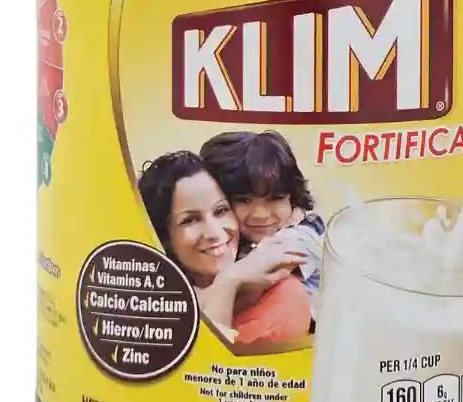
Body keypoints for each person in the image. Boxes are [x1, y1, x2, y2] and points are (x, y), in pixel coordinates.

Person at [137, 151, 311, 346]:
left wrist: (227, 283)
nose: (214, 232)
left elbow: (212, 360)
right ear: (164, 237)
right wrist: (227, 283)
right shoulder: (153, 305)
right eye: (190, 220)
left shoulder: (283, 297)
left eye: (221, 211)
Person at [199, 131, 324, 328]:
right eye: (244, 200)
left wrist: (226, 283)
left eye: (275, 198)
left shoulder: (304, 234)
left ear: (292, 197)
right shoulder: (227, 240)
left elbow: (242, 294)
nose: (260, 214)